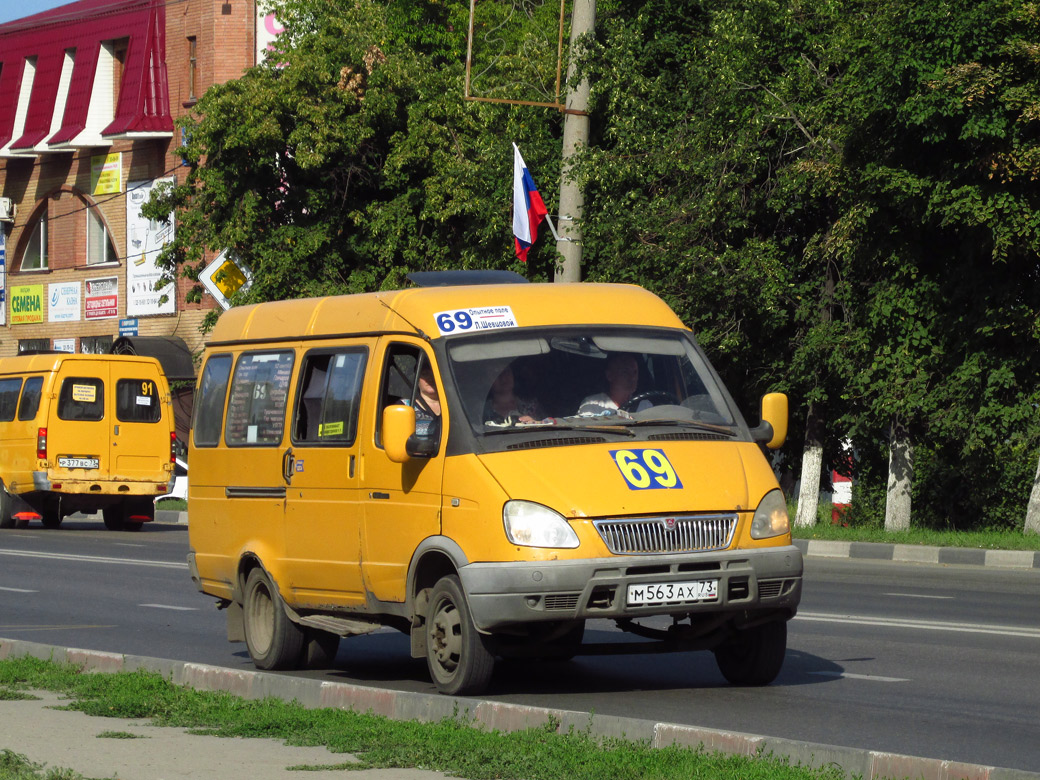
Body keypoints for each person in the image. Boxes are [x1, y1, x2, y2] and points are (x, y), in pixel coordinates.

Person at [577, 352, 649, 415]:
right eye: (625, 372)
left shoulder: (645, 405)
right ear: (610, 375)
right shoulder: (592, 405)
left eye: (635, 372)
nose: (632, 377)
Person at [402, 364, 441, 437]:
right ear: (417, 379)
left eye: (434, 373)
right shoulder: (405, 407)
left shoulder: (457, 406)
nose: (430, 378)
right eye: (425, 374)